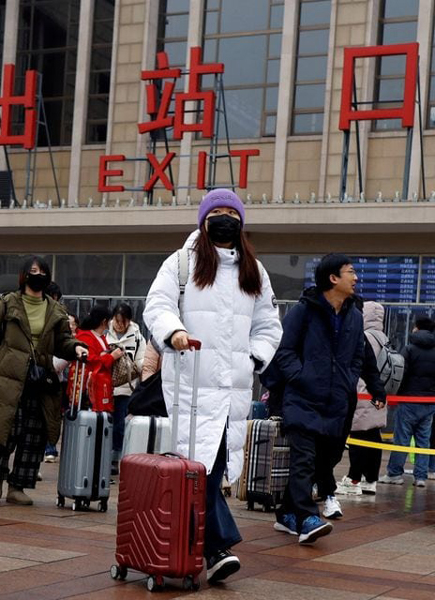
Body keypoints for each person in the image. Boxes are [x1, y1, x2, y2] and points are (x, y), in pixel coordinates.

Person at [144, 189, 282, 583]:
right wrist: (174, 332)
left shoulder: (253, 270)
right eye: (216, 212)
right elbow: (158, 304)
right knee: (196, 470)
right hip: (190, 384)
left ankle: (201, 549)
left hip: (233, 391)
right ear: (203, 220)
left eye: (231, 212)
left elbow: (269, 325)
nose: (224, 218)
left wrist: (254, 358)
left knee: (214, 468)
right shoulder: (182, 263)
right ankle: (217, 547)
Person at [0, 256, 88, 505]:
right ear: (24, 275)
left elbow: (63, 342)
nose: (38, 275)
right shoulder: (8, 304)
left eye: (42, 271)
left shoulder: (56, 310)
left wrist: (76, 348)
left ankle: (17, 487)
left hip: (41, 380)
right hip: (9, 377)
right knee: (7, 430)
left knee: (34, 436)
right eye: (33, 271)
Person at [272, 253, 365, 546]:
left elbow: (357, 356)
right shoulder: (304, 311)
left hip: (335, 402)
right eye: (350, 272)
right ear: (333, 278)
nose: (356, 278)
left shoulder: (355, 316)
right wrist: (302, 377)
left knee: (318, 463)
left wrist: (348, 381)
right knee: (303, 460)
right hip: (303, 398)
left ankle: (286, 514)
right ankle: (307, 517)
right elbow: (284, 351)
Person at [337, 301, 389, 496]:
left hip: (362, 395)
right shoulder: (384, 338)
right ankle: (371, 480)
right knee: (374, 439)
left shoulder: (365, 336)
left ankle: (354, 479)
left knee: (358, 438)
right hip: (378, 395)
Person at [381, 317, 435, 487]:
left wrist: (396, 394)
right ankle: (421, 476)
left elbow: (399, 374)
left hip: (408, 399)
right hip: (429, 402)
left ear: (416, 329)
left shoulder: (409, 349)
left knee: (402, 438)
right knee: (423, 440)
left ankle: (395, 473)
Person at [106, 303, 146, 468]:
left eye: (124, 321)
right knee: (104, 423)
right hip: (104, 386)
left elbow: (141, 362)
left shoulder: (137, 337)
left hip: (125, 388)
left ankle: (115, 458)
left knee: (119, 425)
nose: (120, 325)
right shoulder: (105, 333)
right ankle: (102, 455)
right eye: (117, 320)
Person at [71, 306, 122, 414]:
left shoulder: (101, 337)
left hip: (101, 386)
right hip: (88, 388)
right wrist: (111, 356)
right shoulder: (85, 336)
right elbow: (91, 360)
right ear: (104, 321)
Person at [45, 312, 78, 463]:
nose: (69, 326)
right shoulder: (53, 338)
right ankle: (49, 449)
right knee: (50, 416)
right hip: (53, 383)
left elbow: (57, 365)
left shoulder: (77, 343)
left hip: (69, 385)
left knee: (58, 418)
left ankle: (58, 449)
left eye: (72, 323)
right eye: (67, 323)